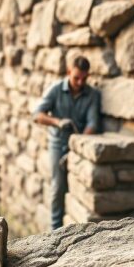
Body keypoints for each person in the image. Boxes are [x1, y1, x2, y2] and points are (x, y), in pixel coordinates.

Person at [33, 56, 101, 229]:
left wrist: (77, 144)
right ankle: (55, 230)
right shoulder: (55, 90)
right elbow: (37, 115)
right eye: (76, 77)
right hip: (57, 143)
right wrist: (57, 122)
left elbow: (93, 123)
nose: (80, 82)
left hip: (78, 145)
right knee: (58, 187)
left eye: (84, 78)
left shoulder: (92, 94)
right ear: (69, 72)